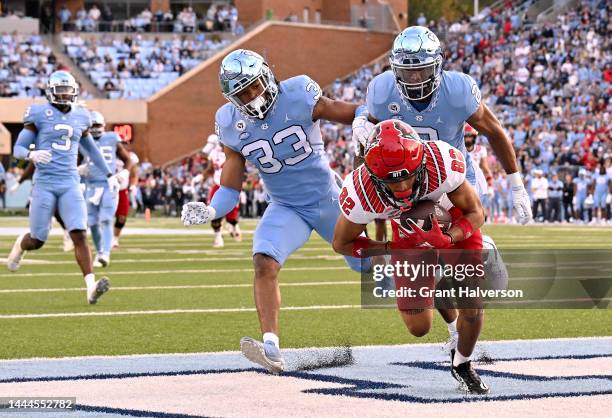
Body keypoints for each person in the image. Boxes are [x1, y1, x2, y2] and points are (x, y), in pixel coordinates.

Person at [181, 49, 368, 373]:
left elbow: (351, 111)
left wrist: (366, 120)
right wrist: (211, 211)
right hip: (285, 207)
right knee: (264, 261)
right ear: (231, 97)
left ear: (267, 76)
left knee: (368, 266)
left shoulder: (298, 94)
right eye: (242, 92)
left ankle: (438, 296)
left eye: (254, 86)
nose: (252, 96)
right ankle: (271, 347)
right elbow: (230, 187)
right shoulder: (230, 123)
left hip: (327, 199)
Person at [351, 25, 530, 352]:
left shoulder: (458, 90)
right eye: (408, 71)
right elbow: (373, 143)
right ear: (395, 69)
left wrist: (516, 185)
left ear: (438, 66)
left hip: (452, 180)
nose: (415, 79)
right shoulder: (381, 91)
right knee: (426, 280)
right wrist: (362, 121)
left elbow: (493, 129)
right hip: (409, 187)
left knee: (453, 261)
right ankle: (452, 331)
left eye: (422, 71)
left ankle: (481, 248)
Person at [332, 120, 488, 394]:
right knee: (418, 327)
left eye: (408, 176)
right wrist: (391, 249)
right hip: (407, 233)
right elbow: (341, 243)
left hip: (452, 221)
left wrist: (449, 237)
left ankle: (462, 364)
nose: (403, 187)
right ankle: (439, 288)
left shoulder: (441, 160)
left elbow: (477, 213)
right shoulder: (361, 191)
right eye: (392, 180)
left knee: (473, 305)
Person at [7, 71, 116, 304]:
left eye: (69, 90)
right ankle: (20, 244)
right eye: (61, 90)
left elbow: (91, 150)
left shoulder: (81, 116)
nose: (65, 95)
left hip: (69, 183)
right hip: (45, 183)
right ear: (51, 91)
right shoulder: (38, 113)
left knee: (79, 233)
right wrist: (31, 154)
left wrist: (109, 173)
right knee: (38, 239)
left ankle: (90, 286)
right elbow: (17, 149)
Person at [79, 111, 134, 267]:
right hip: (90, 185)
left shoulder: (111, 138)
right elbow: (74, 162)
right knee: (92, 222)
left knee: (106, 219)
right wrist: (78, 170)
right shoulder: (82, 141)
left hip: (108, 185)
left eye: (98, 125)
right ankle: (101, 252)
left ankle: (106, 254)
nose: (95, 129)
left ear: (103, 125)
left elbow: (127, 159)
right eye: (93, 126)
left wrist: (124, 171)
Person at [201, 133, 241, 247]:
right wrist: (200, 177)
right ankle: (218, 237)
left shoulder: (233, 151)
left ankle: (233, 225)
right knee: (213, 213)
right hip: (217, 186)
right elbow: (210, 169)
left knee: (231, 216)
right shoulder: (213, 153)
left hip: (231, 186)